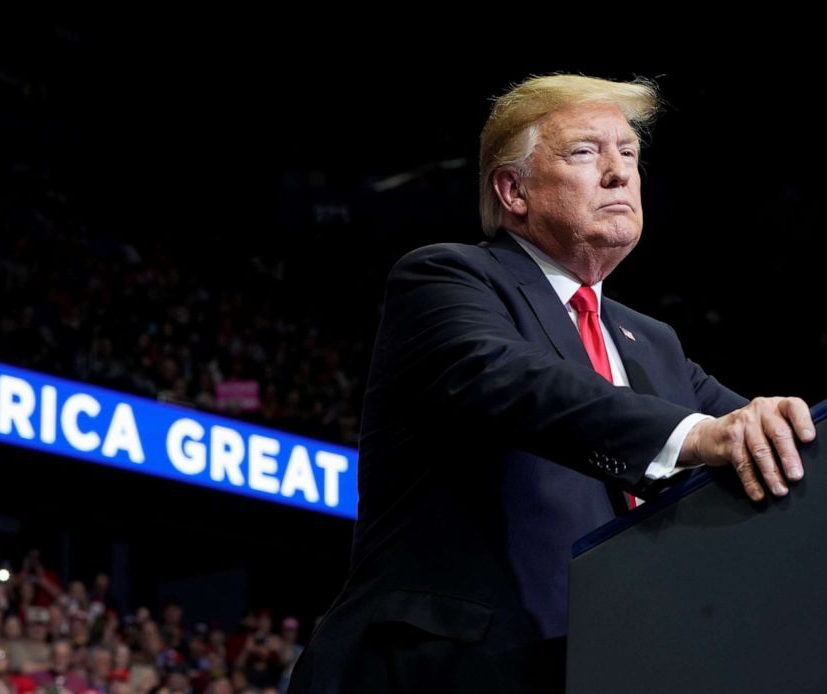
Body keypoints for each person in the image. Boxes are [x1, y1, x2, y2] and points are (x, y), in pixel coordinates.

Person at [286, 74, 816, 693]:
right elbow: (512, 380)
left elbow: (761, 438)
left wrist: (782, 425)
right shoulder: (447, 279)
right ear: (513, 190)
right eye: (586, 152)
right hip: (435, 668)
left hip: (600, 670)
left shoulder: (656, 345)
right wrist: (701, 435)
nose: (618, 173)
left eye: (629, 154)